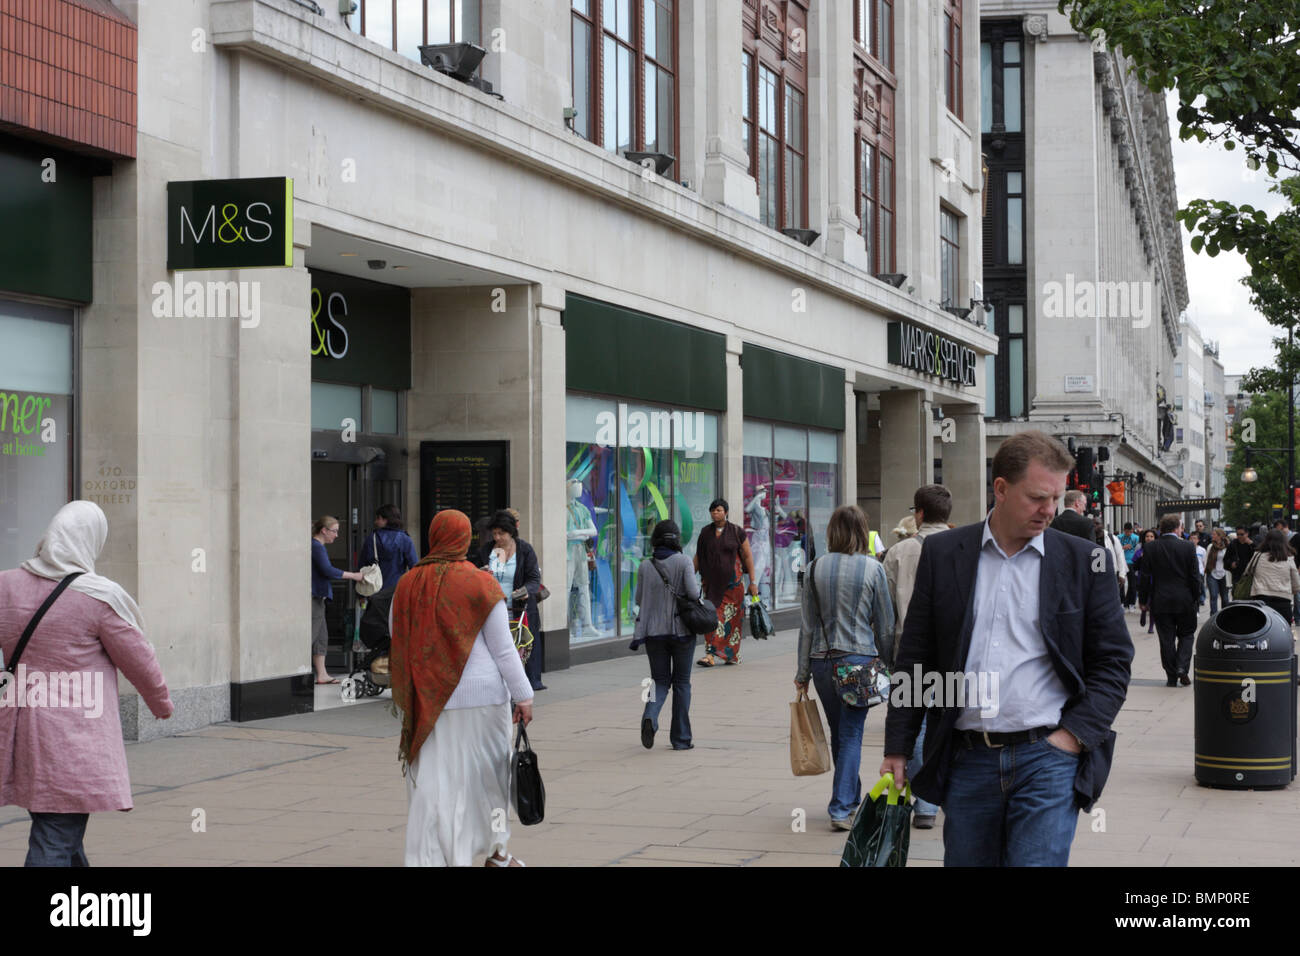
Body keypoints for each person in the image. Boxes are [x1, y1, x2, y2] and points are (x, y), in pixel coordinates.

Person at [880, 430, 1133, 867]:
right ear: (1000, 488)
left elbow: (1113, 662)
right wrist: (898, 747)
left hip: (1048, 758)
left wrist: (1071, 739)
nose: (1049, 510)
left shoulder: (1084, 561)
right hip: (967, 758)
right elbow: (916, 655)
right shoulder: (944, 553)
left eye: (1055, 498)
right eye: (1037, 497)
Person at [0, 501, 173, 866]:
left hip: (17, 728)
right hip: (72, 736)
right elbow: (139, 660)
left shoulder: (6, 584)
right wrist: (161, 704)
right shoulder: (99, 596)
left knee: (57, 823)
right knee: (56, 835)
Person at [390, 509, 534, 867]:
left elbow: (398, 638)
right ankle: (496, 853)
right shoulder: (481, 583)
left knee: (435, 786)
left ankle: (430, 857)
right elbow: (503, 649)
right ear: (466, 538)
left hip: (429, 701)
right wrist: (524, 696)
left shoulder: (407, 584)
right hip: (484, 700)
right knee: (489, 781)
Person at [795, 505, 895, 831]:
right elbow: (885, 625)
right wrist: (890, 662)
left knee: (841, 733)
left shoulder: (813, 568)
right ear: (862, 531)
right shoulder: (873, 569)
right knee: (851, 734)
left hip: (822, 662)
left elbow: (807, 626)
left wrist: (802, 675)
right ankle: (840, 809)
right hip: (858, 661)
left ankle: (849, 799)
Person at [882, 483, 952, 830]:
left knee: (916, 726)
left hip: (907, 652)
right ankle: (934, 797)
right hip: (950, 657)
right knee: (942, 724)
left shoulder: (898, 553)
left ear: (918, 514)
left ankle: (923, 801)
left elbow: (885, 612)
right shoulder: (963, 548)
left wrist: (886, 654)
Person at [631, 520, 698, 751]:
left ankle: (650, 714)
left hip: (653, 633)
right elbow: (693, 592)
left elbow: (639, 599)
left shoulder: (645, 566)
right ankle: (680, 739)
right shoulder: (684, 561)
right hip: (681, 632)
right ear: (677, 539)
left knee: (658, 680)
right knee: (681, 683)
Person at [693, 498, 759, 667]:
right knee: (713, 617)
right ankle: (710, 654)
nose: (715, 513)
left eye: (719, 510)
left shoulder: (736, 532)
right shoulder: (705, 532)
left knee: (733, 622)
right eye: (713, 510)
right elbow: (699, 556)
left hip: (733, 587)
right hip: (712, 586)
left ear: (726, 512)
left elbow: (747, 556)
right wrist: (688, 576)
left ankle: (731, 655)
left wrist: (753, 581)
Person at [485, 510, 546, 691]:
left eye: (501, 533)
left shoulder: (524, 550)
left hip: (520, 607)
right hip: (495, 607)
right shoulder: (492, 550)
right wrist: (482, 574)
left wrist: (526, 590)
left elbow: (534, 578)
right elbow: (497, 575)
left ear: (511, 532)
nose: (497, 538)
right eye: (494, 533)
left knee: (524, 645)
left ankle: (529, 682)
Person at [1138, 515, 1200, 687]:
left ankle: (1171, 675)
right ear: (1177, 528)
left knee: (1166, 639)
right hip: (1185, 599)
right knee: (1187, 635)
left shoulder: (1151, 548)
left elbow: (1144, 577)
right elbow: (1194, 576)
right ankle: (1182, 666)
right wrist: (1197, 596)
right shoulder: (1188, 546)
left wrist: (1143, 599)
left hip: (1161, 599)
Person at [312, 515, 364, 684]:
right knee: (313, 635)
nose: (336, 535)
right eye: (334, 531)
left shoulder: (317, 546)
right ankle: (300, 674)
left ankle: (322, 674)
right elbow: (328, 570)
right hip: (315, 598)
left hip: (319, 597)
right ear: (324, 531)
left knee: (321, 637)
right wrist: (354, 576)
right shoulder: (317, 547)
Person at [1246, 528, 1300, 624]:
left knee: (1260, 630)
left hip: (1261, 600)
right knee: (1283, 631)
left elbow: (1248, 572)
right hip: (1283, 601)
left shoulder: (1257, 555)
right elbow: (1296, 585)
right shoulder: (1289, 559)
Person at [359, 504, 419, 588]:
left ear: (386, 520)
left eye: (378, 518)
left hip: (375, 588)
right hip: (398, 589)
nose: (375, 522)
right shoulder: (405, 539)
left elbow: (362, 565)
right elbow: (414, 567)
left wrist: (361, 594)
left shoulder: (372, 538)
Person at [1133, 529, 1157, 633]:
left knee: (1153, 604)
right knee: (1144, 601)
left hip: (1156, 581)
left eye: (1152, 536)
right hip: (1143, 581)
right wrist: (1140, 559)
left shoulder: (1159, 550)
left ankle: (1151, 626)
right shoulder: (1139, 552)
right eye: (1147, 536)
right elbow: (1135, 567)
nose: (1149, 538)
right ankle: (1143, 612)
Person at [1204, 528, 1230, 616]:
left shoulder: (1227, 546)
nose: (1212, 536)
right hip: (1212, 573)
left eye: (1214, 534)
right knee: (1214, 596)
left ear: (1219, 536)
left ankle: (1225, 616)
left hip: (1224, 574)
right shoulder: (1210, 547)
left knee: (1225, 598)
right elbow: (1206, 560)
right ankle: (1213, 616)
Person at [1119, 523, 1139, 608]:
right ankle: (1122, 601)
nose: (1128, 534)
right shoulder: (1119, 537)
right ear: (1124, 530)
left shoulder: (1136, 538)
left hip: (1132, 562)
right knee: (1121, 583)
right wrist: (1123, 547)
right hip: (1122, 561)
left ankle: (1131, 602)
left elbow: (1138, 548)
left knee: (1132, 584)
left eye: (1130, 532)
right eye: (1127, 532)